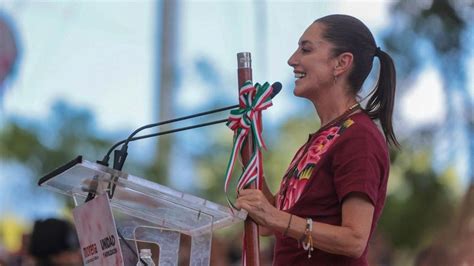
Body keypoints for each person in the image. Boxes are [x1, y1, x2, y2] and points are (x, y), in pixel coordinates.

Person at [236, 14, 398, 265]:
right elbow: (270, 224)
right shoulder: (324, 139)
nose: (292, 60)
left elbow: (354, 240)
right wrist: (249, 150)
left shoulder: (359, 137)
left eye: (306, 49)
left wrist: (274, 217)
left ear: (341, 63)